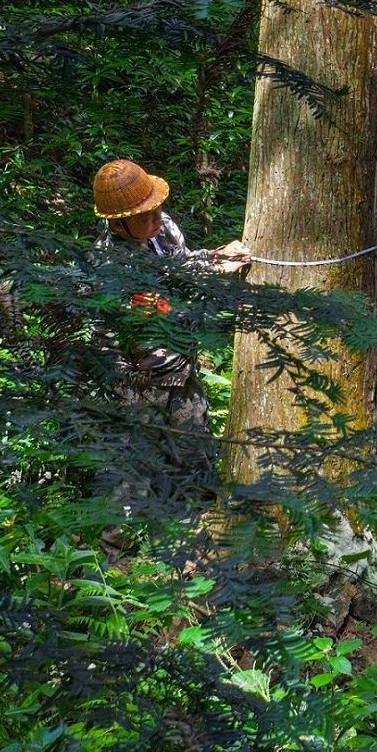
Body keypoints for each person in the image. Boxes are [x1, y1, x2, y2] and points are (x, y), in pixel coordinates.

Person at [90, 158, 248, 502]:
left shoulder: (164, 227)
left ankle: (198, 516)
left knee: (195, 443)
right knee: (135, 463)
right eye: (144, 216)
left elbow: (179, 262)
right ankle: (118, 548)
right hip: (136, 376)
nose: (155, 218)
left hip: (178, 364)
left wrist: (216, 257)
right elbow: (145, 310)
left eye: (156, 208)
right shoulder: (109, 264)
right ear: (119, 226)